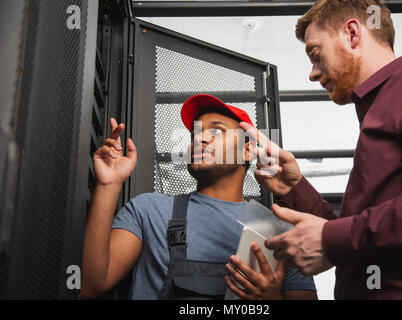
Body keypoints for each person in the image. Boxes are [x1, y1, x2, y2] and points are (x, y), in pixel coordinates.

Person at [233, 0, 402, 299]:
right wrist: (295, 187)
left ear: (351, 34)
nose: (312, 73)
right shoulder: (375, 119)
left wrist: (333, 239)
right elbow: (364, 235)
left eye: (315, 53)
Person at [81, 94, 317, 300]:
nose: (199, 139)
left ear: (247, 149)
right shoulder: (148, 210)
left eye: (216, 131)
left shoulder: (278, 233)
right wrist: (108, 184)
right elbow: (91, 285)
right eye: (195, 133)